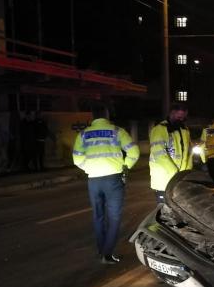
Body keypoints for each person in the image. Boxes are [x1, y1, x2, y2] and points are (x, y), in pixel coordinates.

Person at [72, 103, 139, 264]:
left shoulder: (83, 134)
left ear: (92, 116)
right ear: (107, 115)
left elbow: (77, 158)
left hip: (93, 180)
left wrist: (88, 168)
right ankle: (107, 254)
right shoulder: (117, 131)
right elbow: (133, 152)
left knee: (98, 215)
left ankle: (102, 249)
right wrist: (126, 166)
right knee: (114, 217)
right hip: (113, 179)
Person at [149, 102, 192, 203]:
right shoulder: (159, 129)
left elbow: (189, 152)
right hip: (164, 179)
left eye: (183, 117)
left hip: (179, 179)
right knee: (164, 209)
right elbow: (159, 153)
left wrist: (187, 172)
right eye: (179, 116)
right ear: (171, 113)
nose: (181, 119)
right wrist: (175, 173)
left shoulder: (184, 130)